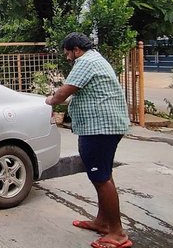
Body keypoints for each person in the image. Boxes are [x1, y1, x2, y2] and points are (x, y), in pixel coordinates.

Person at [45, 32, 132, 248]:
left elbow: (63, 93)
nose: (67, 58)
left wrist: (46, 101)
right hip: (104, 126)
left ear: (76, 50)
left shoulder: (85, 61)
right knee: (102, 175)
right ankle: (103, 223)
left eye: (68, 53)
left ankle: (117, 234)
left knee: (101, 178)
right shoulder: (96, 59)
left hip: (100, 128)